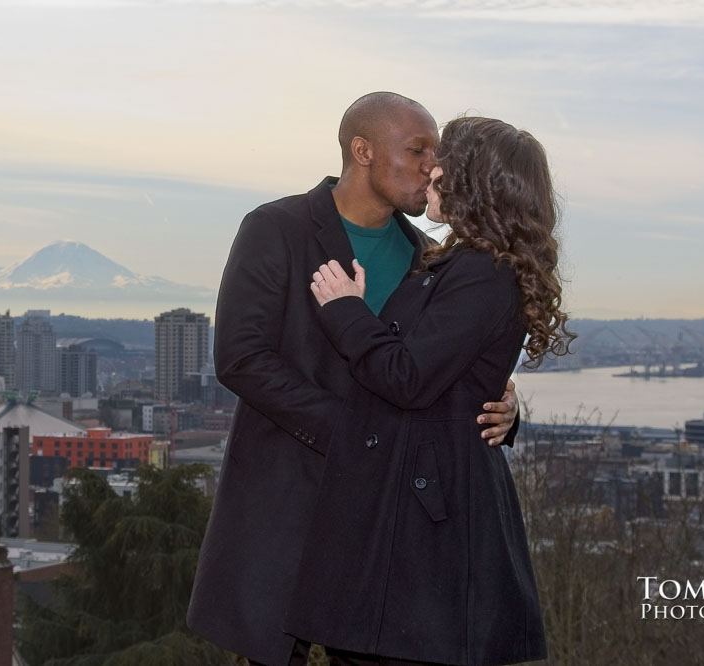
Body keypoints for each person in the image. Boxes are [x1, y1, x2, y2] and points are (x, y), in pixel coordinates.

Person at [187, 94, 521, 666]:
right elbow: (241, 357)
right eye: (416, 150)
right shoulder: (277, 228)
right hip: (290, 499)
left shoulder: (432, 256)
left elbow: (435, 373)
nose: (431, 167)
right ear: (362, 151)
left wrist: (506, 412)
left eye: (434, 154)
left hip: (391, 521)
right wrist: (354, 434)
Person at [284, 117, 574, 665]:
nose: (431, 170)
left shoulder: (480, 272)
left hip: (425, 527)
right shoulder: (455, 265)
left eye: (443, 160)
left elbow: (409, 379)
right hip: (417, 512)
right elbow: (442, 375)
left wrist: (346, 310)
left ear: (473, 180)